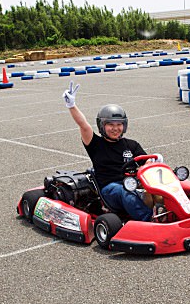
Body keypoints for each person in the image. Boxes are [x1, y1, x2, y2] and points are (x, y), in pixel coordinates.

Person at [62, 81, 155, 222]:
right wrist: (71, 106)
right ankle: (150, 220)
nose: (115, 128)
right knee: (126, 192)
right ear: (102, 126)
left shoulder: (132, 145)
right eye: (110, 125)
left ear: (124, 126)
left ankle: (185, 207)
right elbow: (84, 125)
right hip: (109, 189)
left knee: (160, 185)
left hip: (132, 182)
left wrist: (152, 164)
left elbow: (146, 161)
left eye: (119, 125)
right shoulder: (96, 144)